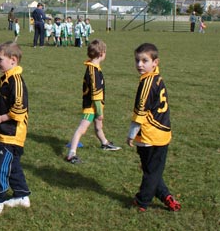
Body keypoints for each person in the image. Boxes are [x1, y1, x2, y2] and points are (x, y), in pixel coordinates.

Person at [127, 43, 181, 212]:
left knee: (150, 172)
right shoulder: (158, 78)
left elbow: (140, 112)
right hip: (163, 133)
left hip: (150, 135)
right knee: (152, 170)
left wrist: (131, 134)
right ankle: (166, 196)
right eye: (137, 60)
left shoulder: (147, 83)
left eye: (144, 61)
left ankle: (142, 201)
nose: (139, 65)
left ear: (155, 62)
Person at [0, 42, 30, 215]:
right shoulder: (6, 77)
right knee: (13, 165)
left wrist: (0, 119)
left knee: (2, 166)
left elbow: (19, 110)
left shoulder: (16, 81)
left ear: (13, 60)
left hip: (13, 133)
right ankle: (22, 195)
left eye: (0, 59)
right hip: (6, 130)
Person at [66, 39, 121, 164]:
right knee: (82, 129)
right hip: (91, 106)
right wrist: (99, 111)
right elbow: (96, 95)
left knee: (98, 126)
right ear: (101, 54)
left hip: (96, 105)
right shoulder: (93, 72)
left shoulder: (94, 68)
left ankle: (105, 143)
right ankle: (71, 153)